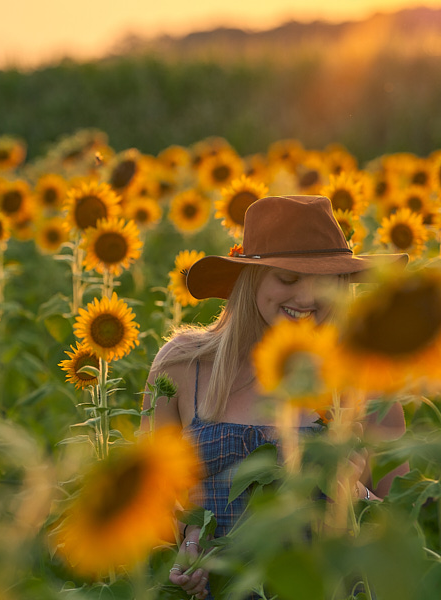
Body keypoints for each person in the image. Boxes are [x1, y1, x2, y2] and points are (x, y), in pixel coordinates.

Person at [142, 195, 410, 599]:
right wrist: (188, 534)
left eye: (323, 280)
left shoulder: (367, 376)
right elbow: (148, 500)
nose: (306, 297)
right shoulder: (184, 366)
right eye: (287, 278)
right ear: (252, 279)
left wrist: (357, 497)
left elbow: (408, 531)